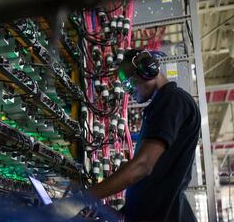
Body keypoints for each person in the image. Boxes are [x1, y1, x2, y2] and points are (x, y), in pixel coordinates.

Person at [48, 49, 201, 221]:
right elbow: (155, 177)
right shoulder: (162, 105)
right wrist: (118, 213)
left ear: (146, 70)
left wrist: (82, 199)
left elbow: (142, 166)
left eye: (128, 84)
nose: (128, 92)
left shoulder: (173, 101)